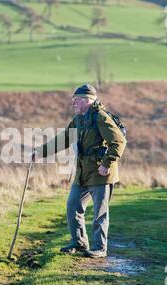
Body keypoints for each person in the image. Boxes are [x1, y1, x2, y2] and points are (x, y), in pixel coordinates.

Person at [32, 84, 126, 258]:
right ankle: (80, 243)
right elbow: (63, 140)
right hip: (82, 173)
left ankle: (99, 248)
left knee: (100, 213)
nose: (73, 103)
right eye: (73, 100)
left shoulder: (101, 117)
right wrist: (40, 152)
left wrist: (106, 164)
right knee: (73, 206)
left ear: (87, 100)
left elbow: (119, 142)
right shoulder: (77, 120)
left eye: (76, 100)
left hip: (101, 173)